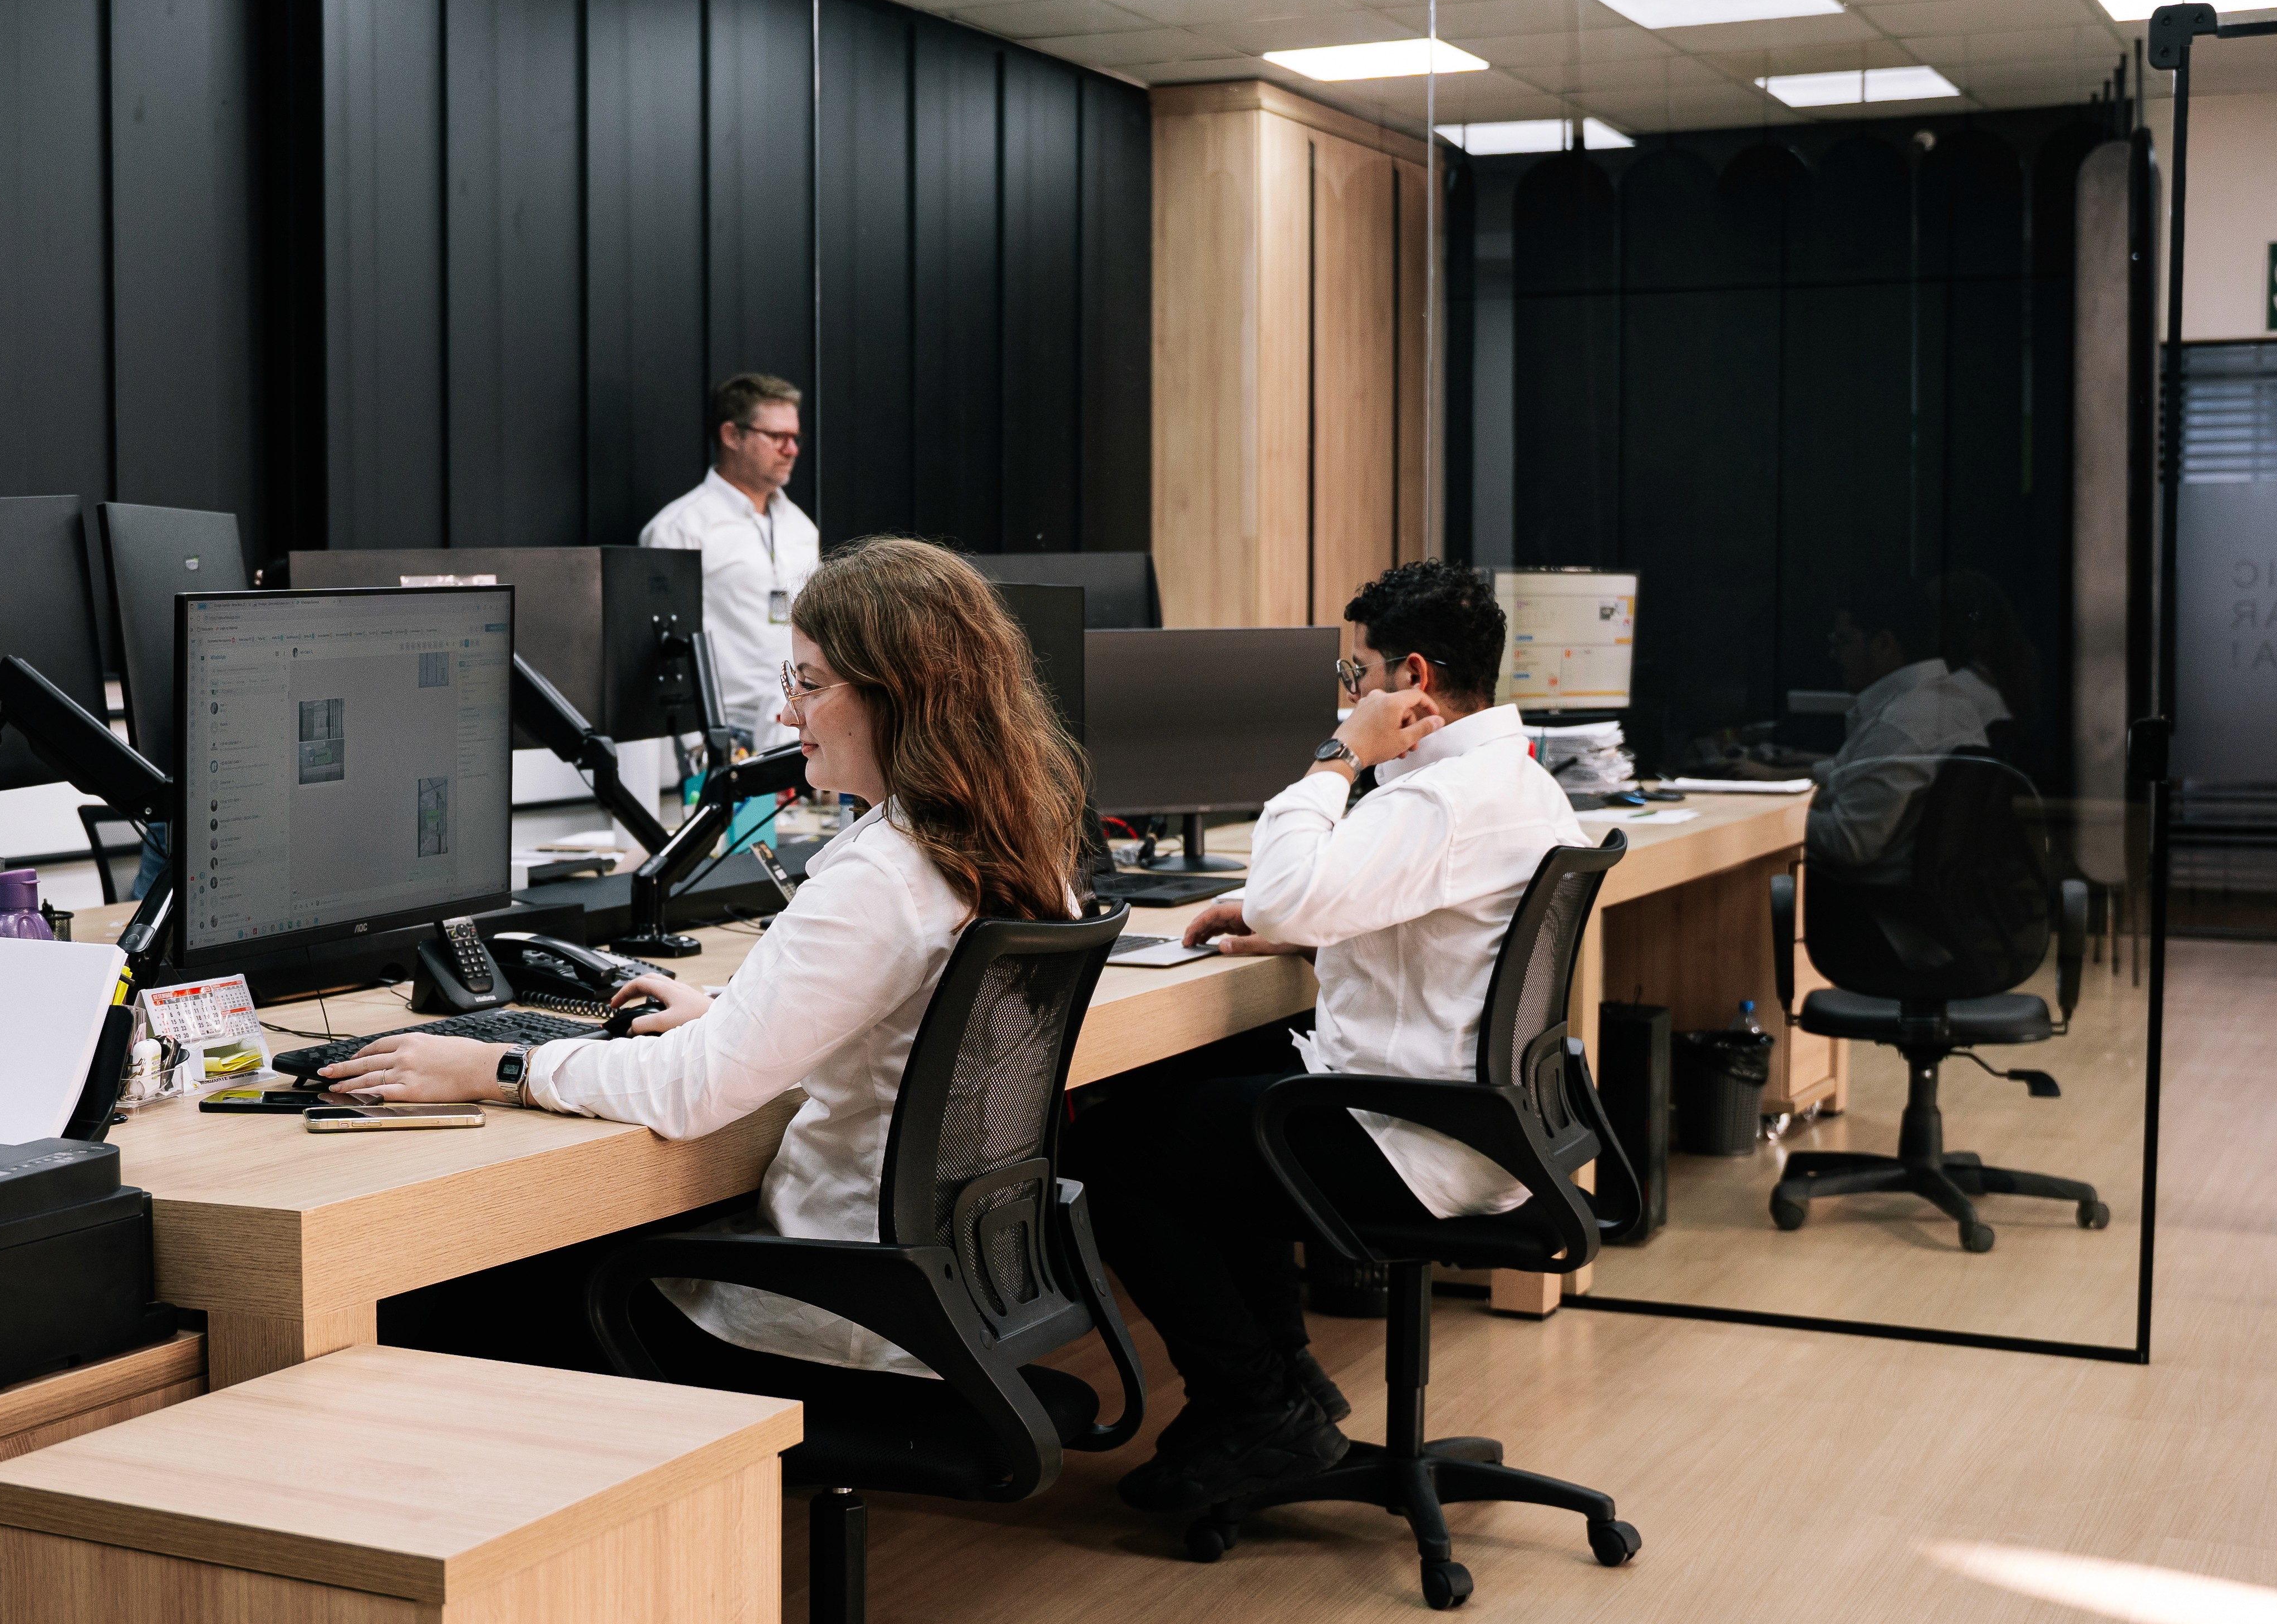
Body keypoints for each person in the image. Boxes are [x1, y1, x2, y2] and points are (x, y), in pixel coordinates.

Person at [316, 538, 1087, 1371]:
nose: (788, 715)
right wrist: (730, 1016)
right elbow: (908, 1029)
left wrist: (496, 1069)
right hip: (945, 1286)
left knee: (450, 1302)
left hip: (841, 1303)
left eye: (810, 684)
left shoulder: (879, 878)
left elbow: (691, 1095)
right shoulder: (1012, 846)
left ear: (901, 696)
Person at [1060, 559, 1586, 1513]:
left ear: (1409, 678)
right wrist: (1303, 921)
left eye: (1356, 677)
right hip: (1479, 1122)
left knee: (1108, 1149)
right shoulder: (1511, 783)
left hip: (1417, 1138)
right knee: (1209, 1081)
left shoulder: (1432, 798)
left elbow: (1292, 884)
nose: (1350, 697)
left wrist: (1336, 755)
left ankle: (1255, 1408)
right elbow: (1401, 905)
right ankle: (1289, 1383)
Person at [1796, 574, 2020, 879]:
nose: (1833, 654)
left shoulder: (1900, 722)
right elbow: (1860, 775)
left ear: (1885, 644)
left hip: (1861, 901)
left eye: (1843, 640)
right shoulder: (1948, 702)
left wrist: (1774, 817)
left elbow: (1852, 843)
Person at [642, 373, 822, 743]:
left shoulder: (802, 528)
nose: (792, 450)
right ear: (731, 435)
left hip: (798, 727)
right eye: (777, 437)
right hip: (722, 736)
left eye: (795, 438)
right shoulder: (680, 529)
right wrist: (697, 749)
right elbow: (663, 653)